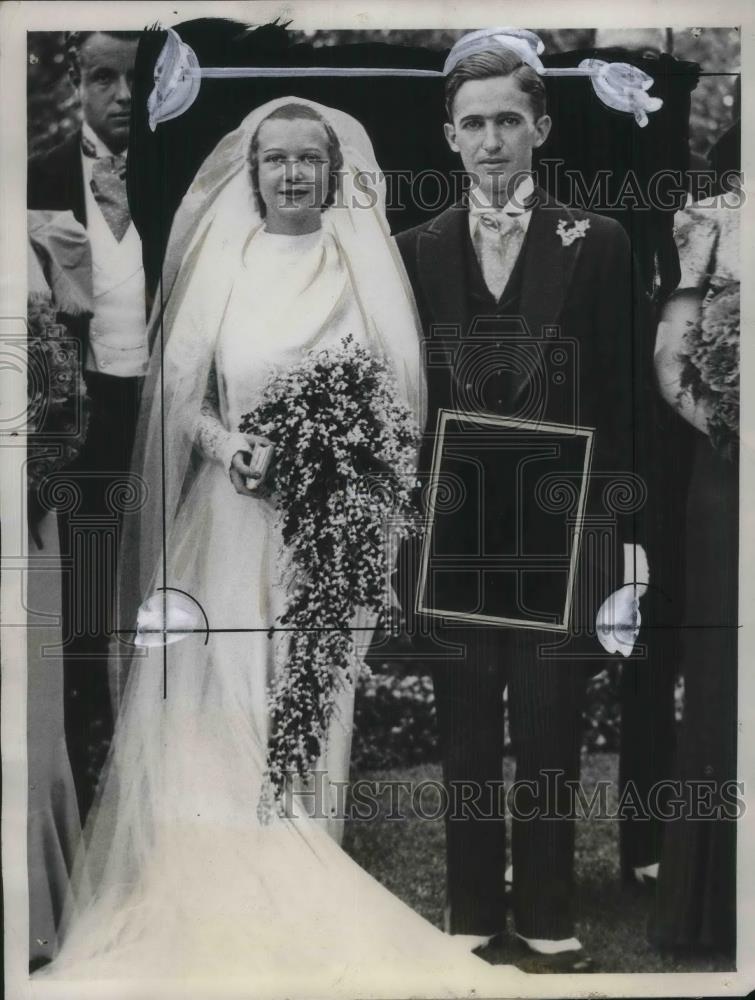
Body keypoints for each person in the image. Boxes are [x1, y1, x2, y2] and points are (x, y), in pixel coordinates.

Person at [35, 98, 520, 993]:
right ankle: (216, 891)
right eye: (275, 161)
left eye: (308, 160)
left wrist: (347, 484)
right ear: (249, 173)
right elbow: (181, 396)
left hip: (328, 535)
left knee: (310, 708)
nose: (292, 175)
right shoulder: (226, 260)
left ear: (333, 173)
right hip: (228, 521)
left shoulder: (358, 264)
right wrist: (231, 446)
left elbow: (395, 401)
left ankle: (306, 871)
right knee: (217, 709)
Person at [396, 34, 650, 972]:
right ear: (450, 139)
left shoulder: (602, 242)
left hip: (565, 517)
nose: (492, 139)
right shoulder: (411, 250)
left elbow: (623, 405)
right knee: (465, 724)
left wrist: (625, 541)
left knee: (547, 721)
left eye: (509, 119)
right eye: (474, 124)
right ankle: (469, 915)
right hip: (456, 518)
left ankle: (545, 914)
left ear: (541, 127)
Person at [27, 31, 146, 823]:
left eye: (136, 79)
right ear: (77, 83)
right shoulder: (33, 177)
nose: (124, 95)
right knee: (83, 611)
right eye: (105, 78)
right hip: (79, 427)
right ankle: (87, 795)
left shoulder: (184, 178)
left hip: (162, 417)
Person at [651, 186, 740, 959]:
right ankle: (713, 903)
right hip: (731, 471)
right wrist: (734, 428)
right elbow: (674, 361)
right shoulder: (715, 213)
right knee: (723, 674)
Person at [26, 209, 92, 970]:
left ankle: (36, 920)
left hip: (18, 515)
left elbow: (66, 404)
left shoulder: (24, 249)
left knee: (31, 736)